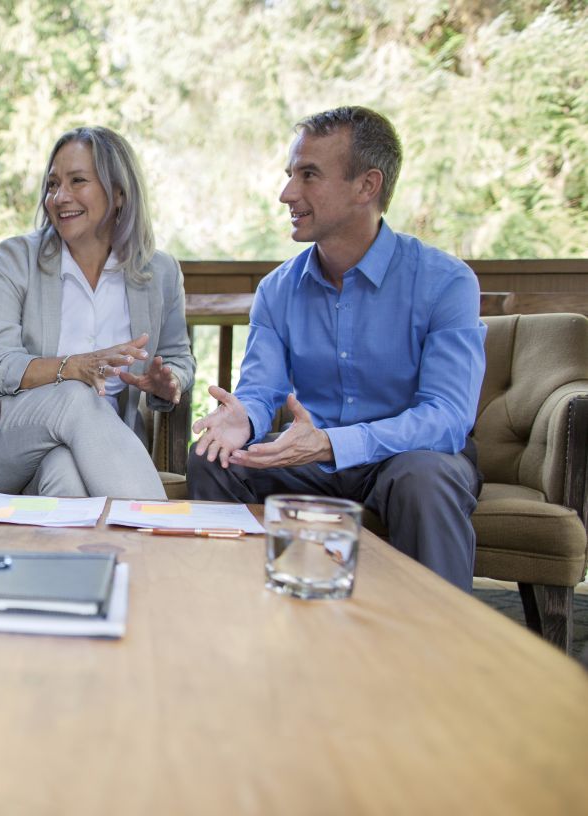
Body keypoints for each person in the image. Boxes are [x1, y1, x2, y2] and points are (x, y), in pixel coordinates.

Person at [187, 106, 485, 590]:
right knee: (214, 457)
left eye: (309, 175)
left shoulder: (445, 282)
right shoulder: (277, 289)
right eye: (290, 175)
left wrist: (331, 443)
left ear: (366, 186)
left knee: (423, 479)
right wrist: (244, 418)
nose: (287, 194)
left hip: (406, 457)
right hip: (310, 462)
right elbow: (262, 389)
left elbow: (448, 417)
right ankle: (231, 612)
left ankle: (444, 650)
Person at [0, 126, 195, 499]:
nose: (59, 197)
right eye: (52, 184)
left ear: (118, 193)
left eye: (77, 181)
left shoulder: (159, 272)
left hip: (90, 448)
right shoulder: (14, 258)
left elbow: (178, 358)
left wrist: (168, 383)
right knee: (78, 395)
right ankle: (161, 537)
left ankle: (84, 557)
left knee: (64, 473)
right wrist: (73, 367)